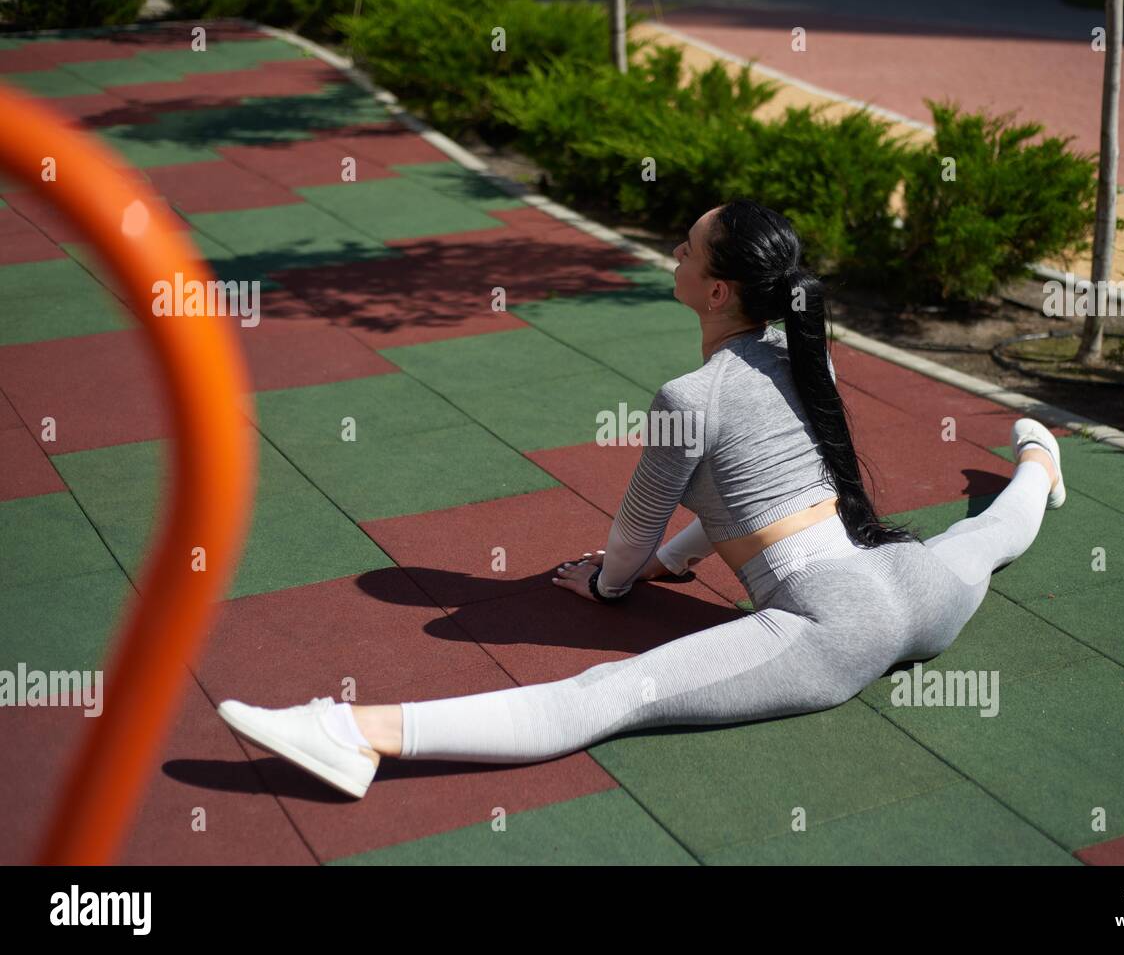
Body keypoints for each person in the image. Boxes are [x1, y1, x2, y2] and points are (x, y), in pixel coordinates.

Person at [217, 200, 1065, 799]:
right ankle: (1039, 457)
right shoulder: (806, 360)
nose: (676, 258)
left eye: (688, 250)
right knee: (992, 533)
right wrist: (673, 560)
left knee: (607, 696)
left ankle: (351, 733)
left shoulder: (687, 398)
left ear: (718, 291)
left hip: (830, 627)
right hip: (907, 587)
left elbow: (631, 532)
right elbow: (756, 498)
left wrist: (613, 583)